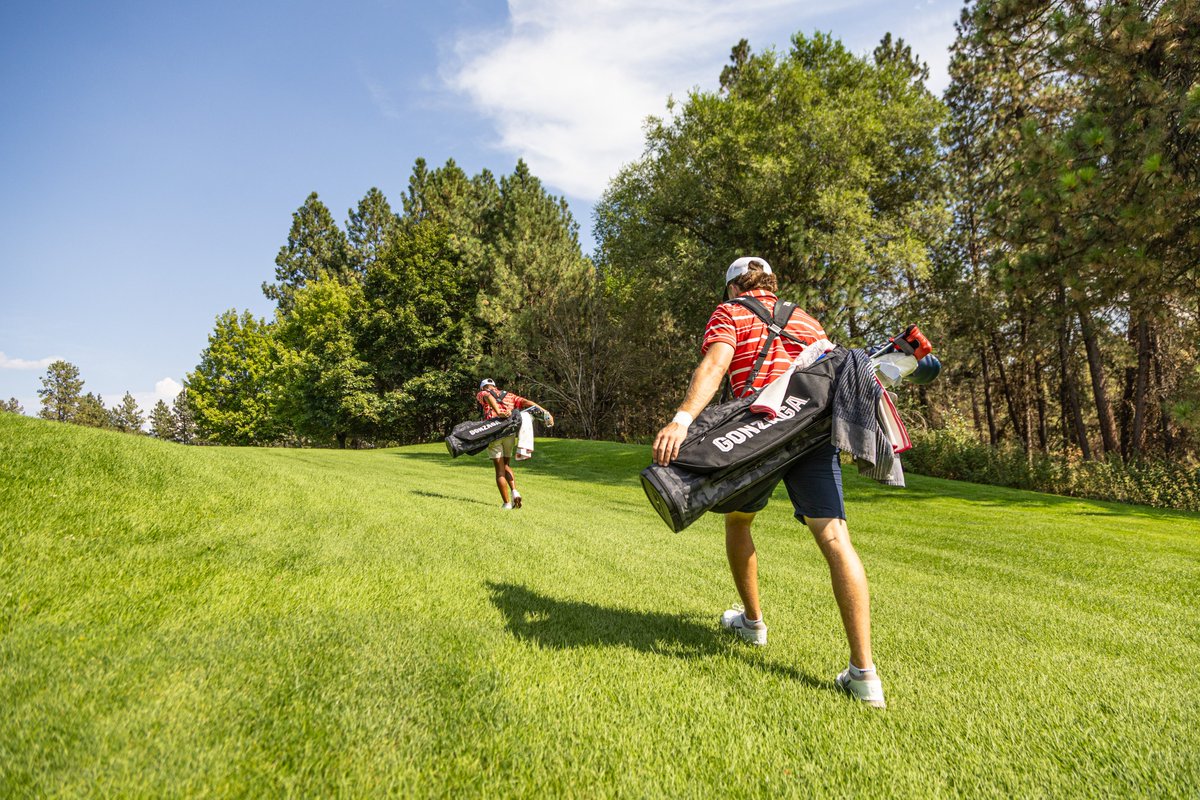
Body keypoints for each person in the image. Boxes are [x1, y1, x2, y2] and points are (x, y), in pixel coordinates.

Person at [651, 257, 885, 708]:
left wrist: (683, 420)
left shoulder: (731, 311)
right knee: (835, 537)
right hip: (809, 434)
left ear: (734, 285)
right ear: (771, 283)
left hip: (754, 435)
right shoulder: (806, 319)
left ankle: (753, 623)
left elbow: (716, 365)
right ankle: (865, 676)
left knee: (739, 521)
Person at [476, 379, 554, 510]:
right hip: (509, 433)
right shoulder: (509, 395)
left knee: (499, 470)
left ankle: (506, 503)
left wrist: (498, 411)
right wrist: (545, 412)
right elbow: (525, 402)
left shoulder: (482, 392)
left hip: (495, 432)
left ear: (484, 387)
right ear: (495, 386)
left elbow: (487, 396)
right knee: (506, 465)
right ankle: (514, 491)